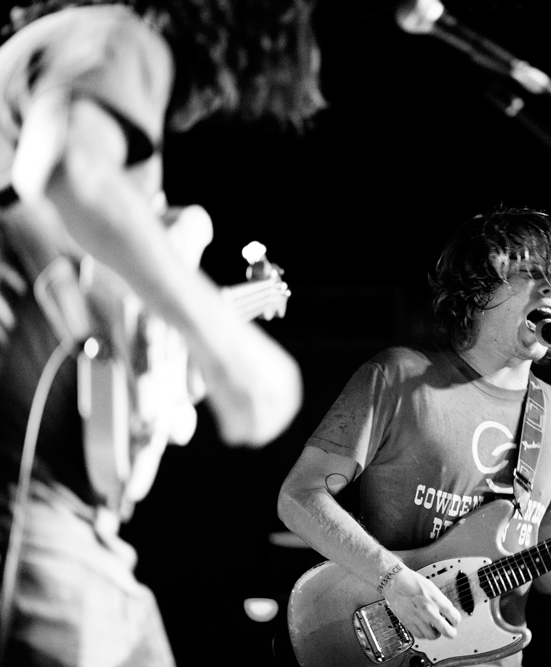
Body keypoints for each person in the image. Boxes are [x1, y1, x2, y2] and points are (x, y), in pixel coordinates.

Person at [0, 1, 324, 665]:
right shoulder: (120, 36)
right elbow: (70, 170)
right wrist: (231, 352)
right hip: (26, 499)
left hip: (75, 512)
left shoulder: (71, 52)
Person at [277, 208, 551, 666]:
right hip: (385, 641)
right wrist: (394, 579)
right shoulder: (399, 377)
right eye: (531, 273)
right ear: (477, 288)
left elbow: (545, 565)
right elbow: (299, 496)